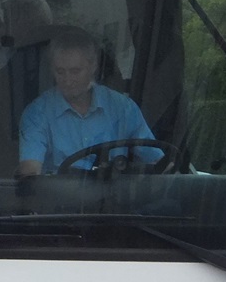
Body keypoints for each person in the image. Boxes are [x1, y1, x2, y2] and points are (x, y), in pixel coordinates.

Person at [16, 28, 162, 176]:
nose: (67, 80)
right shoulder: (37, 114)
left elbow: (159, 162)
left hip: (115, 197)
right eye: (60, 72)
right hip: (59, 197)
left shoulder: (122, 108)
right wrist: (30, 174)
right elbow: (30, 172)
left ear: (93, 66)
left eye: (75, 71)